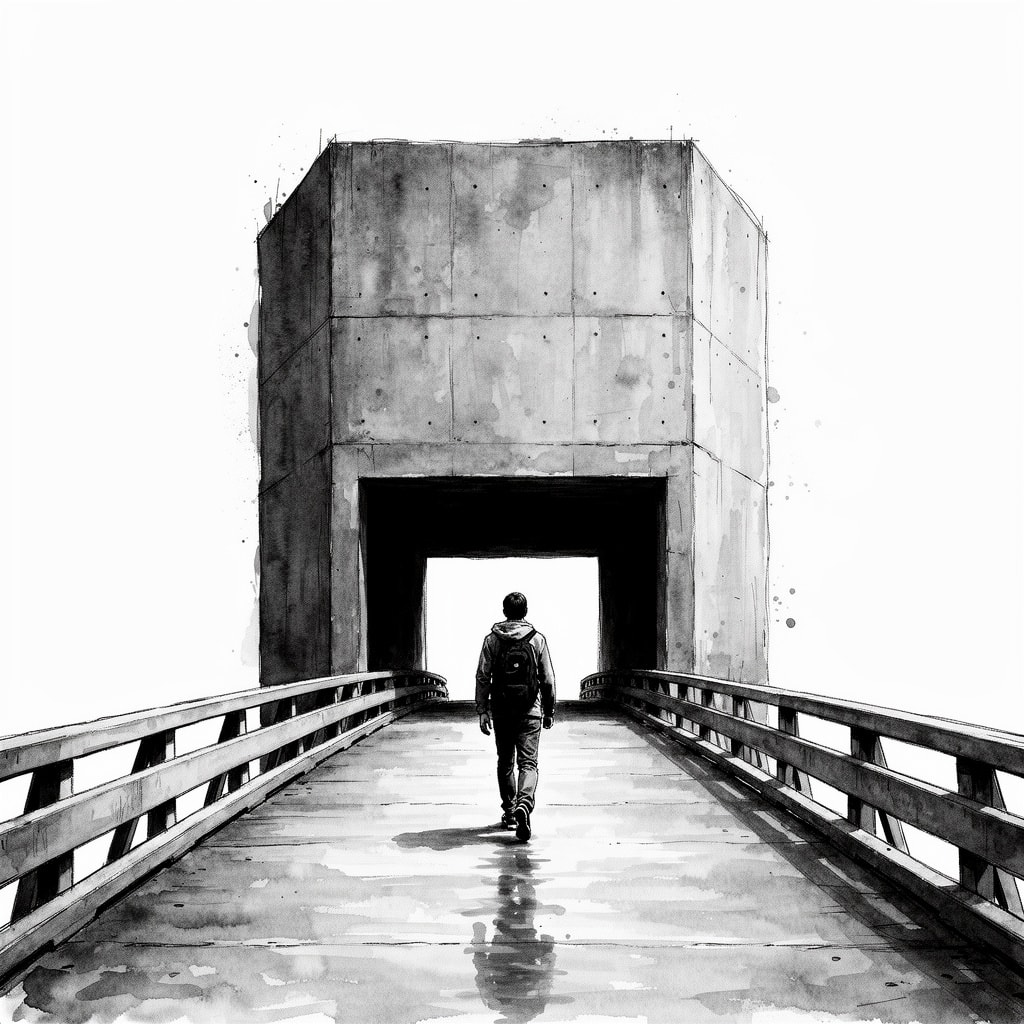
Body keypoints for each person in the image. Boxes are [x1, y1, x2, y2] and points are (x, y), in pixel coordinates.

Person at [476, 592, 556, 841]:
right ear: (526, 611)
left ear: (504, 611)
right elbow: (548, 679)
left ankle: (510, 812)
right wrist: (549, 711)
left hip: (501, 710)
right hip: (530, 710)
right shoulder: (538, 640)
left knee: (505, 763)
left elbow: (482, 676)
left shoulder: (492, 640)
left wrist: (482, 710)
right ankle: (525, 803)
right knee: (528, 763)